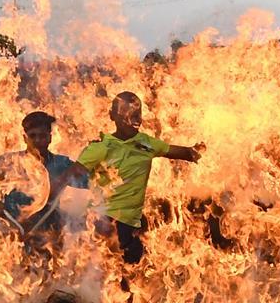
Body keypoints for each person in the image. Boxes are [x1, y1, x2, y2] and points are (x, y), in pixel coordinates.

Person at [55, 91, 203, 265]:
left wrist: (199, 150)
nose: (135, 120)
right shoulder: (101, 148)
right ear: (113, 116)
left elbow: (185, 153)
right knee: (111, 273)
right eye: (127, 114)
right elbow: (67, 177)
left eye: (137, 114)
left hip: (131, 224)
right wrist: (47, 205)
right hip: (104, 221)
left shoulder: (147, 143)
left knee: (133, 275)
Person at [0, 111, 84, 239]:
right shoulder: (7, 163)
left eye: (42, 136)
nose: (37, 140)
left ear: (50, 138)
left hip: (49, 240)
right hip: (13, 238)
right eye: (32, 136)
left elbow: (95, 183)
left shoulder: (62, 164)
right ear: (25, 138)